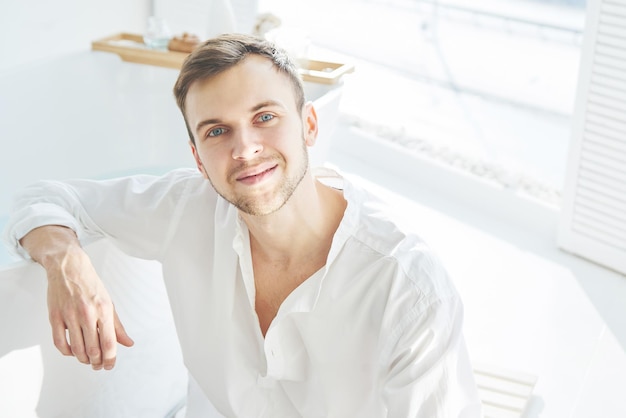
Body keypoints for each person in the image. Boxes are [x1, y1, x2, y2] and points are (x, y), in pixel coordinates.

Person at [3, 33, 482, 416]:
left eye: (265, 117)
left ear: (310, 125)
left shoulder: (409, 289)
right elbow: (45, 197)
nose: (245, 149)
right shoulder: (185, 208)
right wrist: (67, 262)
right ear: (196, 157)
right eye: (217, 131)